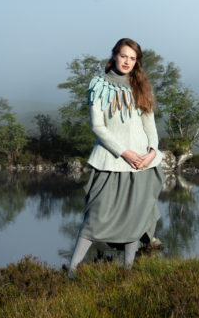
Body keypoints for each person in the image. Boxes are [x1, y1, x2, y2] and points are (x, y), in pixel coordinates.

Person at [68, 38, 164, 276]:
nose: (127, 62)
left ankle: (127, 273)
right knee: (94, 219)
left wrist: (151, 152)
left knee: (135, 218)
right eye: (124, 56)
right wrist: (125, 152)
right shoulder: (98, 84)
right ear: (114, 56)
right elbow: (97, 126)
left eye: (132, 58)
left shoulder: (141, 85)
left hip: (142, 164)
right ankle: (71, 273)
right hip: (111, 162)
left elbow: (150, 126)